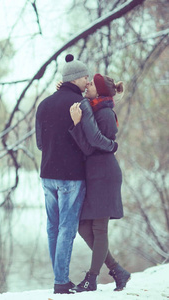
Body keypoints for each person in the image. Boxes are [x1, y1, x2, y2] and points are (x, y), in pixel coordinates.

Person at [35, 54, 117, 294]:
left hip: (47, 175)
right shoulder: (79, 105)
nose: (88, 81)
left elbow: (40, 144)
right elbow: (90, 141)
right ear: (79, 78)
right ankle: (61, 282)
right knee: (67, 229)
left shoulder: (43, 104)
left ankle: (59, 278)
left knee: (53, 227)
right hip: (71, 177)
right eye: (86, 78)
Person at [68, 73, 131, 292]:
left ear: (100, 90)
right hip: (95, 174)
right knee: (84, 227)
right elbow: (88, 148)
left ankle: (91, 278)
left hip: (105, 175)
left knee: (99, 228)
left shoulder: (104, 113)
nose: (88, 85)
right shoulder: (95, 109)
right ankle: (117, 271)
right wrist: (77, 124)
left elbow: (95, 142)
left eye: (92, 84)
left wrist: (80, 121)